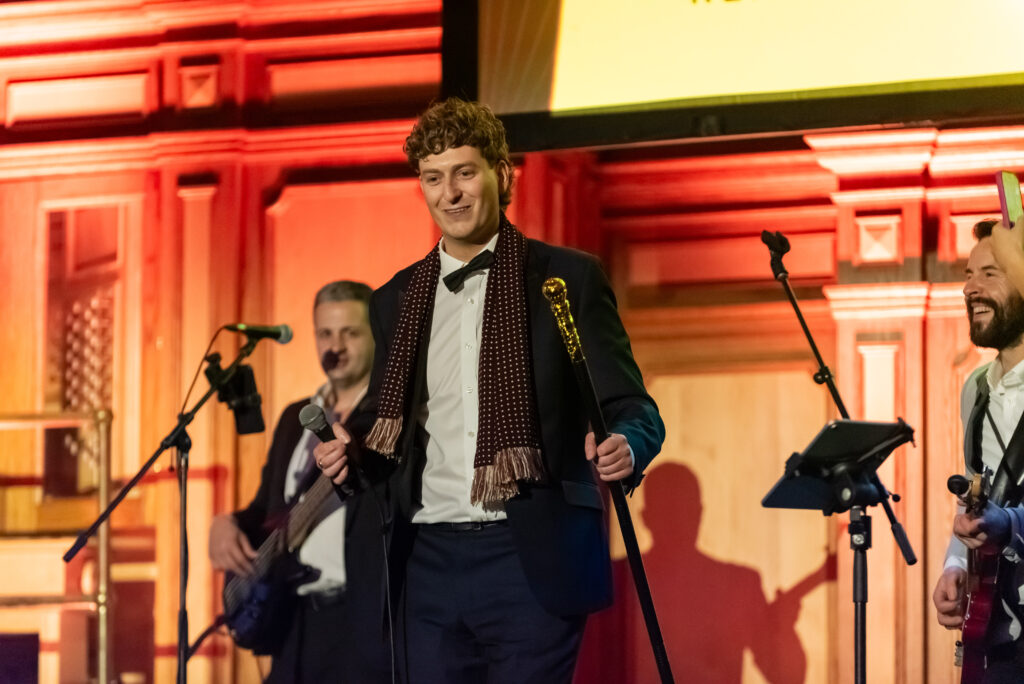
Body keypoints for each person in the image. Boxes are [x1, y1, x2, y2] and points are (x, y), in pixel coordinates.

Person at [314, 98, 665, 683]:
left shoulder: (567, 278)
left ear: (502, 175)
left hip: (531, 557)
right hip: (425, 563)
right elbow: (381, 428)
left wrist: (628, 443)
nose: (449, 193)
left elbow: (632, 406)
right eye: (433, 178)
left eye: (463, 172)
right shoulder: (395, 298)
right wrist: (349, 455)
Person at [208, 280, 389, 683]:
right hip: (293, 622)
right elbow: (267, 509)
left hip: (360, 623)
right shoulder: (295, 417)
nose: (335, 346)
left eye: (350, 333)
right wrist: (227, 524)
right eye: (325, 333)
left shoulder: (387, 414)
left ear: (376, 334)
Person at [933, 219, 1024, 682]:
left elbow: (1001, 519)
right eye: (968, 275)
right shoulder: (975, 390)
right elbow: (975, 495)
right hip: (998, 638)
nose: (970, 288)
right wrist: (955, 564)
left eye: (990, 273)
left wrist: (1009, 526)